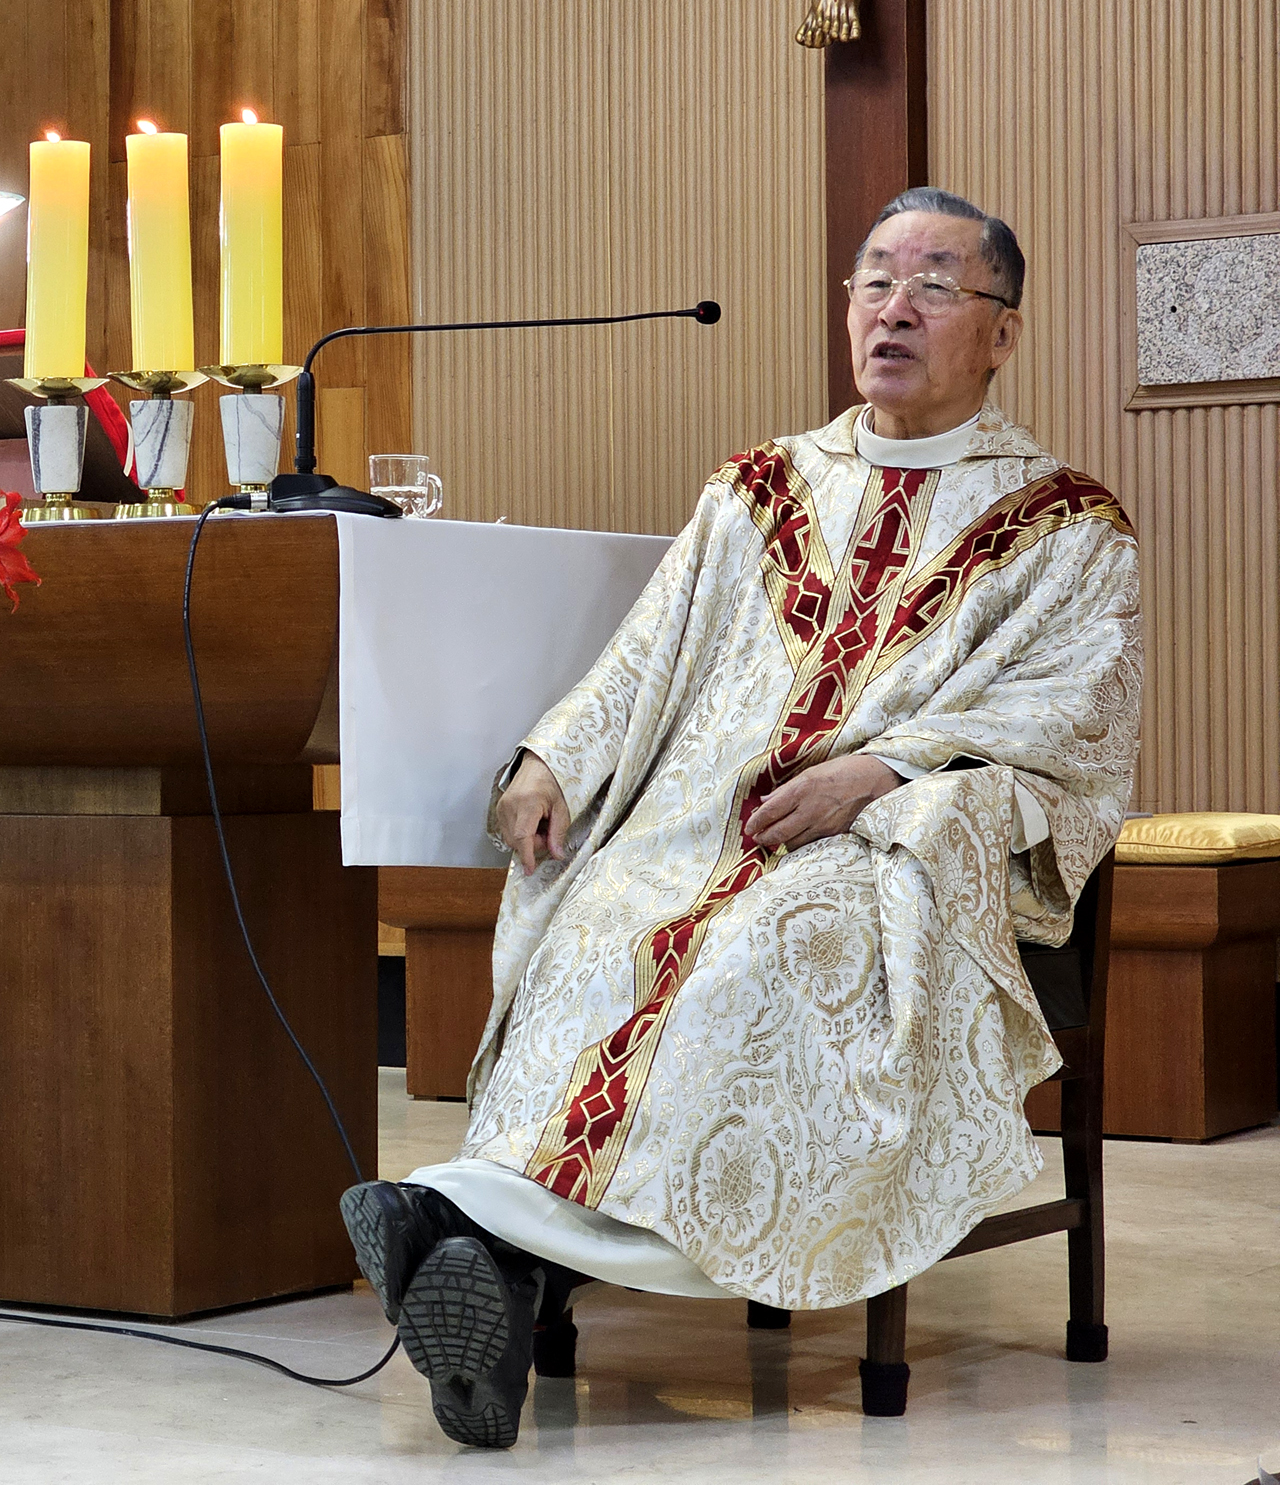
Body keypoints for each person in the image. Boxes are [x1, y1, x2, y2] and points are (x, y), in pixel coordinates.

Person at [344, 187, 1143, 1449]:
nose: (893, 307)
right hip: (695, 830)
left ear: (1001, 333)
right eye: (873, 280)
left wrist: (882, 777)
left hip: (880, 854)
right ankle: (487, 1249)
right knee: (602, 912)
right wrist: (552, 756)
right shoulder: (759, 487)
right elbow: (643, 655)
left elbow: (1068, 724)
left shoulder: (1065, 530)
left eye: (935, 285)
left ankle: (468, 1235)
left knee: (761, 957)